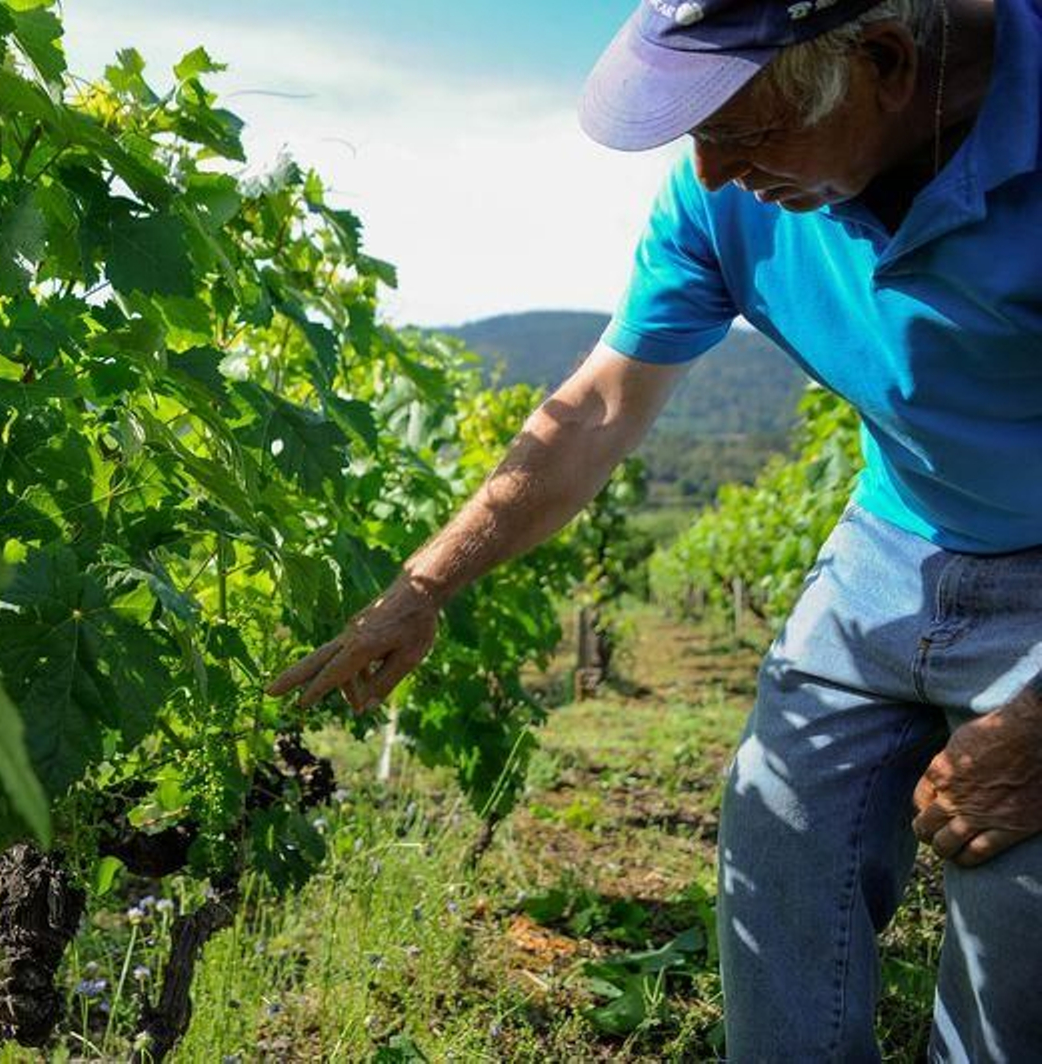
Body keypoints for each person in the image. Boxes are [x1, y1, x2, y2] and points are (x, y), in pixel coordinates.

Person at [266, 0, 1042, 1059]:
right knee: (776, 843)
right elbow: (597, 407)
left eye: (747, 131)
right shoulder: (728, 192)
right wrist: (423, 586)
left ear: (886, 64)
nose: (713, 172)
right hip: (891, 538)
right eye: (697, 131)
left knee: (1017, 930)